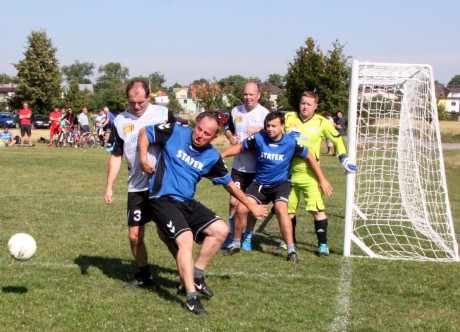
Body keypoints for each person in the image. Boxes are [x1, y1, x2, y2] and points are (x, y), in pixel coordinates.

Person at [138, 115, 268, 315]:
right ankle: (191, 297)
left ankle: (196, 275)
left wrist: (250, 205)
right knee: (186, 240)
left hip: (187, 202)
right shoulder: (175, 131)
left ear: (214, 137)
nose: (199, 135)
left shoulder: (212, 156)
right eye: (198, 129)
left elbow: (230, 185)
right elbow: (144, 132)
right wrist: (143, 159)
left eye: (206, 133)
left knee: (221, 230)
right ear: (195, 126)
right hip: (162, 198)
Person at [221, 111, 333, 262]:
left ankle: (291, 250)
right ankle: (235, 243)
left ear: (282, 126)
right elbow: (240, 147)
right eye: (268, 126)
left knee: (281, 210)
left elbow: (309, 157)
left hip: (280, 184)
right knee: (241, 208)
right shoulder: (259, 138)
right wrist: (220, 156)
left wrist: (322, 179)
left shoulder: (291, 142)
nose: (270, 129)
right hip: (259, 183)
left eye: (274, 126)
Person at [104, 79, 175, 289]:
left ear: (149, 96)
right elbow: (116, 154)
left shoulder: (163, 114)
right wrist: (109, 186)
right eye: (132, 102)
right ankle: (144, 275)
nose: (136, 106)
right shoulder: (119, 121)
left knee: (167, 234)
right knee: (134, 236)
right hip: (136, 187)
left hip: (162, 186)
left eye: (141, 102)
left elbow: (179, 141)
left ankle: (186, 274)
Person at [281, 91, 356, 256]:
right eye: (302, 103)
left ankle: (323, 245)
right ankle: (288, 241)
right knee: (288, 210)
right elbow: (271, 129)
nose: (305, 106)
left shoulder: (322, 122)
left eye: (309, 104)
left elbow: (337, 140)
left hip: (311, 174)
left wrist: (343, 158)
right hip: (287, 173)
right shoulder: (288, 118)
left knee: (317, 209)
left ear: (315, 106)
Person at [222, 82, 269, 251]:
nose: (248, 98)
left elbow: (273, 135)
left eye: (251, 94)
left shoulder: (265, 114)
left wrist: (261, 130)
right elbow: (228, 127)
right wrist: (230, 137)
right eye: (245, 94)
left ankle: (247, 236)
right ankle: (233, 234)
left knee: (250, 206)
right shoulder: (236, 111)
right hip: (239, 167)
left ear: (258, 95)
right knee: (234, 201)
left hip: (257, 169)